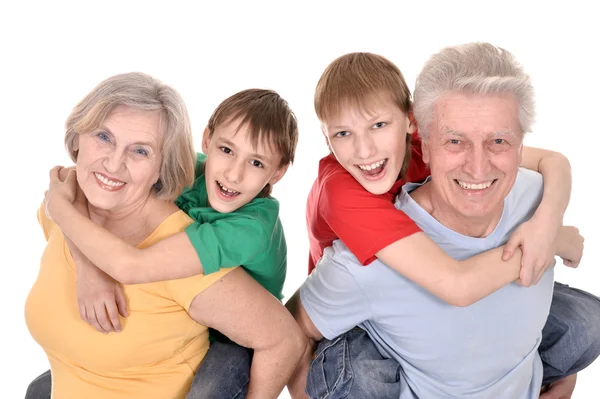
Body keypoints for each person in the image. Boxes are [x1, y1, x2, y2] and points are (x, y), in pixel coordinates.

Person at [287, 44, 599, 398]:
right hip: (357, 317)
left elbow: (554, 161)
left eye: (378, 125)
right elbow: (457, 286)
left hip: (437, 299)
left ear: (410, 124)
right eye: (343, 134)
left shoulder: (423, 143)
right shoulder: (344, 199)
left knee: (585, 322)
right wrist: (551, 241)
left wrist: (546, 221)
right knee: (359, 373)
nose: (364, 151)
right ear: (327, 139)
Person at [24, 72, 305, 399]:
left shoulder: (233, 235)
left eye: (140, 151)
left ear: (162, 165)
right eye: (103, 136)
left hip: (234, 342)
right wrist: (87, 266)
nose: (113, 163)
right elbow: (68, 185)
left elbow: (284, 339)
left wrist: (60, 208)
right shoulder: (70, 209)